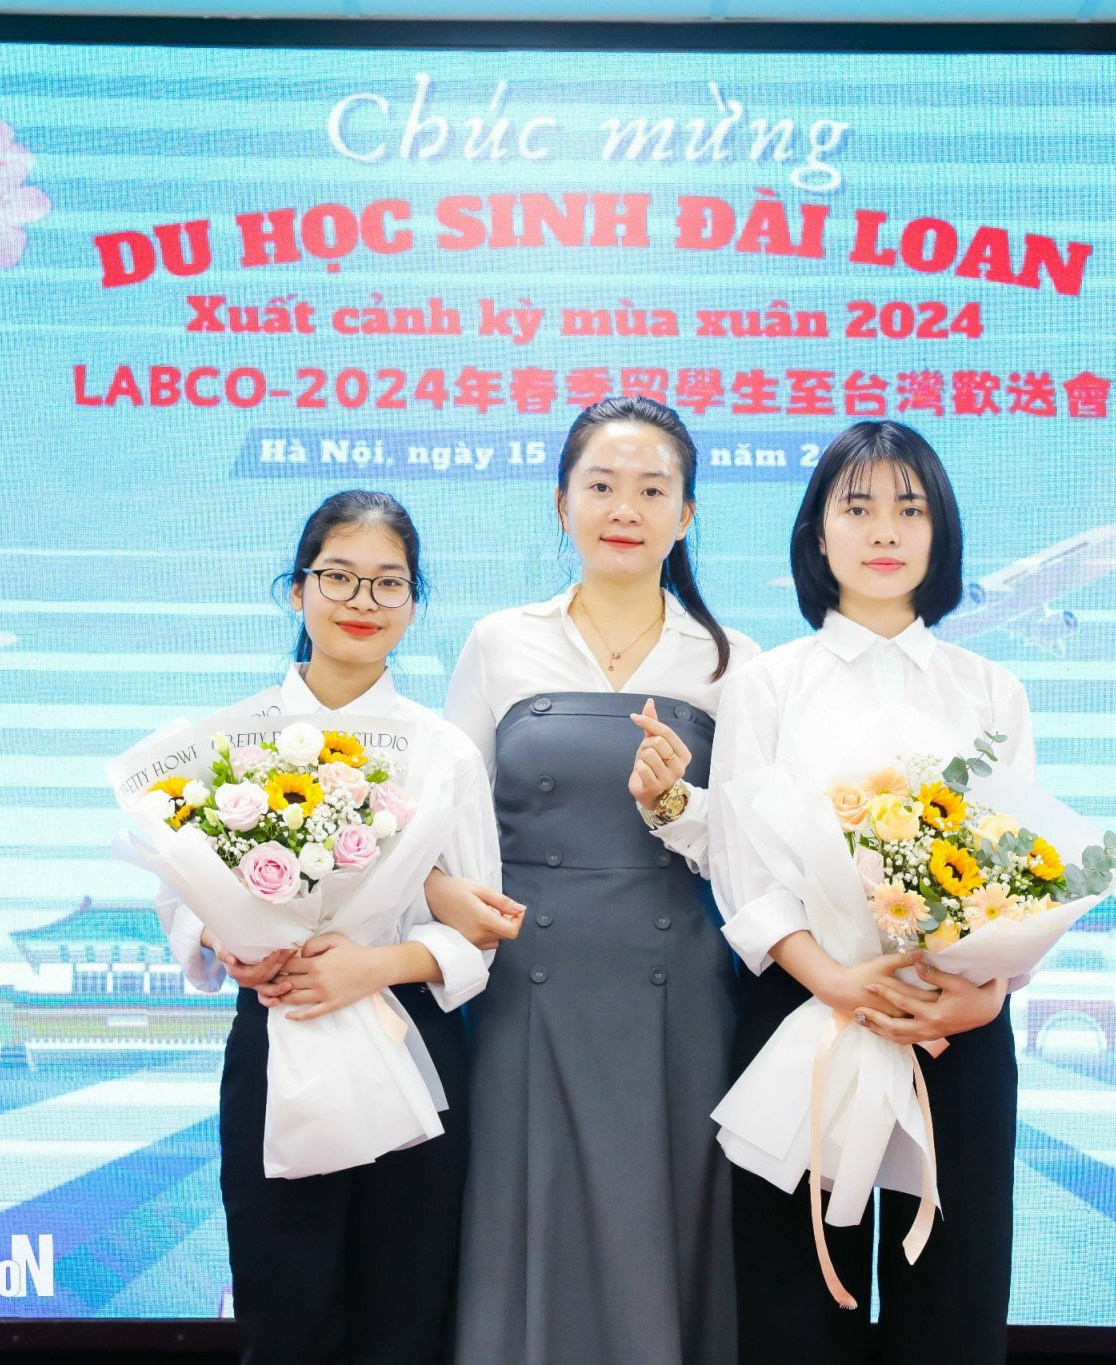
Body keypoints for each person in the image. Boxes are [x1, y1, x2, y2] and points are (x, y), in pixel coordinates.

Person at [153, 489, 517, 1365]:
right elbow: (182, 899)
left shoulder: (444, 753)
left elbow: (480, 933)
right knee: (284, 1314)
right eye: (339, 577)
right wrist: (223, 942)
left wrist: (374, 965)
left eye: (389, 583)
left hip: (410, 1043)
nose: (363, 601)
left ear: (414, 603)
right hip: (279, 1033)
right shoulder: (231, 743)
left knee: (405, 1319)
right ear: (296, 589)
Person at [711, 420, 1030, 1365]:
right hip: (806, 1013)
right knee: (797, 1302)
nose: (884, 529)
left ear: (941, 532)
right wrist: (833, 981)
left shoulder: (992, 691)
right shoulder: (768, 685)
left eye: (909, 508)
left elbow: (1023, 872)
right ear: (818, 534)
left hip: (953, 1026)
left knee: (955, 1299)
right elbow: (742, 867)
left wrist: (987, 994)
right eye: (857, 508)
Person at [447, 396, 756, 1365]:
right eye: (601, 486)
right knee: (521, 1216)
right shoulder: (500, 641)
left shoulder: (731, 661)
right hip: (525, 981)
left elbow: (753, 852)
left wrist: (675, 805)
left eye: (652, 490)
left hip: (678, 989)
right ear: (561, 503)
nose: (625, 509)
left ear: (686, 514)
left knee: (659, 1222)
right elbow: (449, 820)